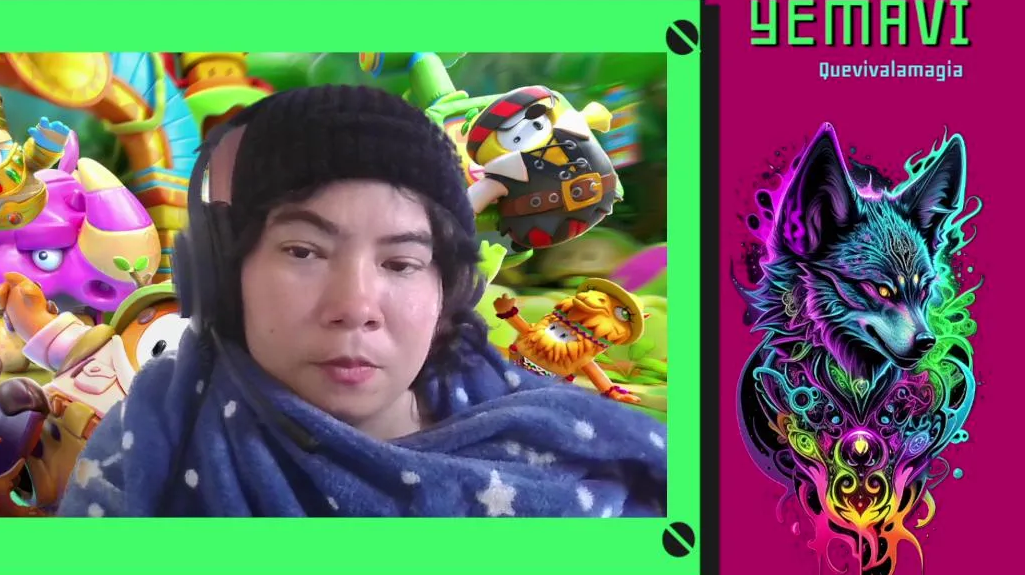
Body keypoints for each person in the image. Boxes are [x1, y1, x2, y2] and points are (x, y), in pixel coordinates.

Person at [56, 85, 668, 518]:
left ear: (448, 289)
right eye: (303, 252)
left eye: (401, 263)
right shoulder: (147, 444)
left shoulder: (582, 453)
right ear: (223, 275)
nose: (355, 306)